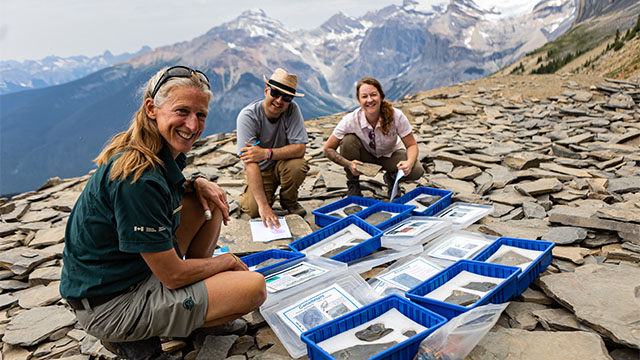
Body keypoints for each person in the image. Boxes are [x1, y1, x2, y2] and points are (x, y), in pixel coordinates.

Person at [60, 66, 266, 359]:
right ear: (151, 109)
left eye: (201, 115)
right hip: (110, 306)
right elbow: (171, 275)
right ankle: (133, 335)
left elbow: (166, 193)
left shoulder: (152, 149)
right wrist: (226, 262)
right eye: (182, 111)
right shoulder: (138, 177)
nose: (193, 126)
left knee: (206, 203)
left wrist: (195, 183)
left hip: (127, 279)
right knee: (253, 288)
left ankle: (190, 314)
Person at [323, 77, 424, 198]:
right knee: (348, 141)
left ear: (381, 96)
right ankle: (353, 183)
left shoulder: (396, 116)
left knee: (416, 170)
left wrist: (409, 162)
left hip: (390, 155)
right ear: (359, 100)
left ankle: (392, 178)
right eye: (364, 96)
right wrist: (349, 164)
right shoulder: (350, 120)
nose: (369, 100)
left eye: (373, 95)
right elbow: (327, 149)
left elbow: (411, 145)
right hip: (365, 157)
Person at [237, 68, 309, 228]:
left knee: (297, 166)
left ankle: (289, 202)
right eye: (275, 93)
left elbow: (300, 149)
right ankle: (253, 196)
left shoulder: (292, 110)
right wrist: (263, 206)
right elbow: (250, 163)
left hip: (281, 165)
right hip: (260, 171)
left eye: (287, 97)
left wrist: (265, 153)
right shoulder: (248, 116)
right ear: (266, 90)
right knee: (254, 211)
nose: (279, 100)